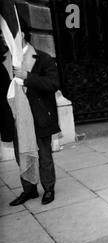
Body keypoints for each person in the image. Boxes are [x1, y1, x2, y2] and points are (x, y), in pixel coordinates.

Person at [3, 20, 60, 206]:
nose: (3, 38)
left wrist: (28, 77)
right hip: (17, 118)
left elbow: (53, 84)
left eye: (6, 34)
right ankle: (29, 190)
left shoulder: (43, 59)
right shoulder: (4, 60)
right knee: (23, 156)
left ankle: (49, 189)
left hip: (39, 116)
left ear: (20, 35)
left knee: (44, 156)